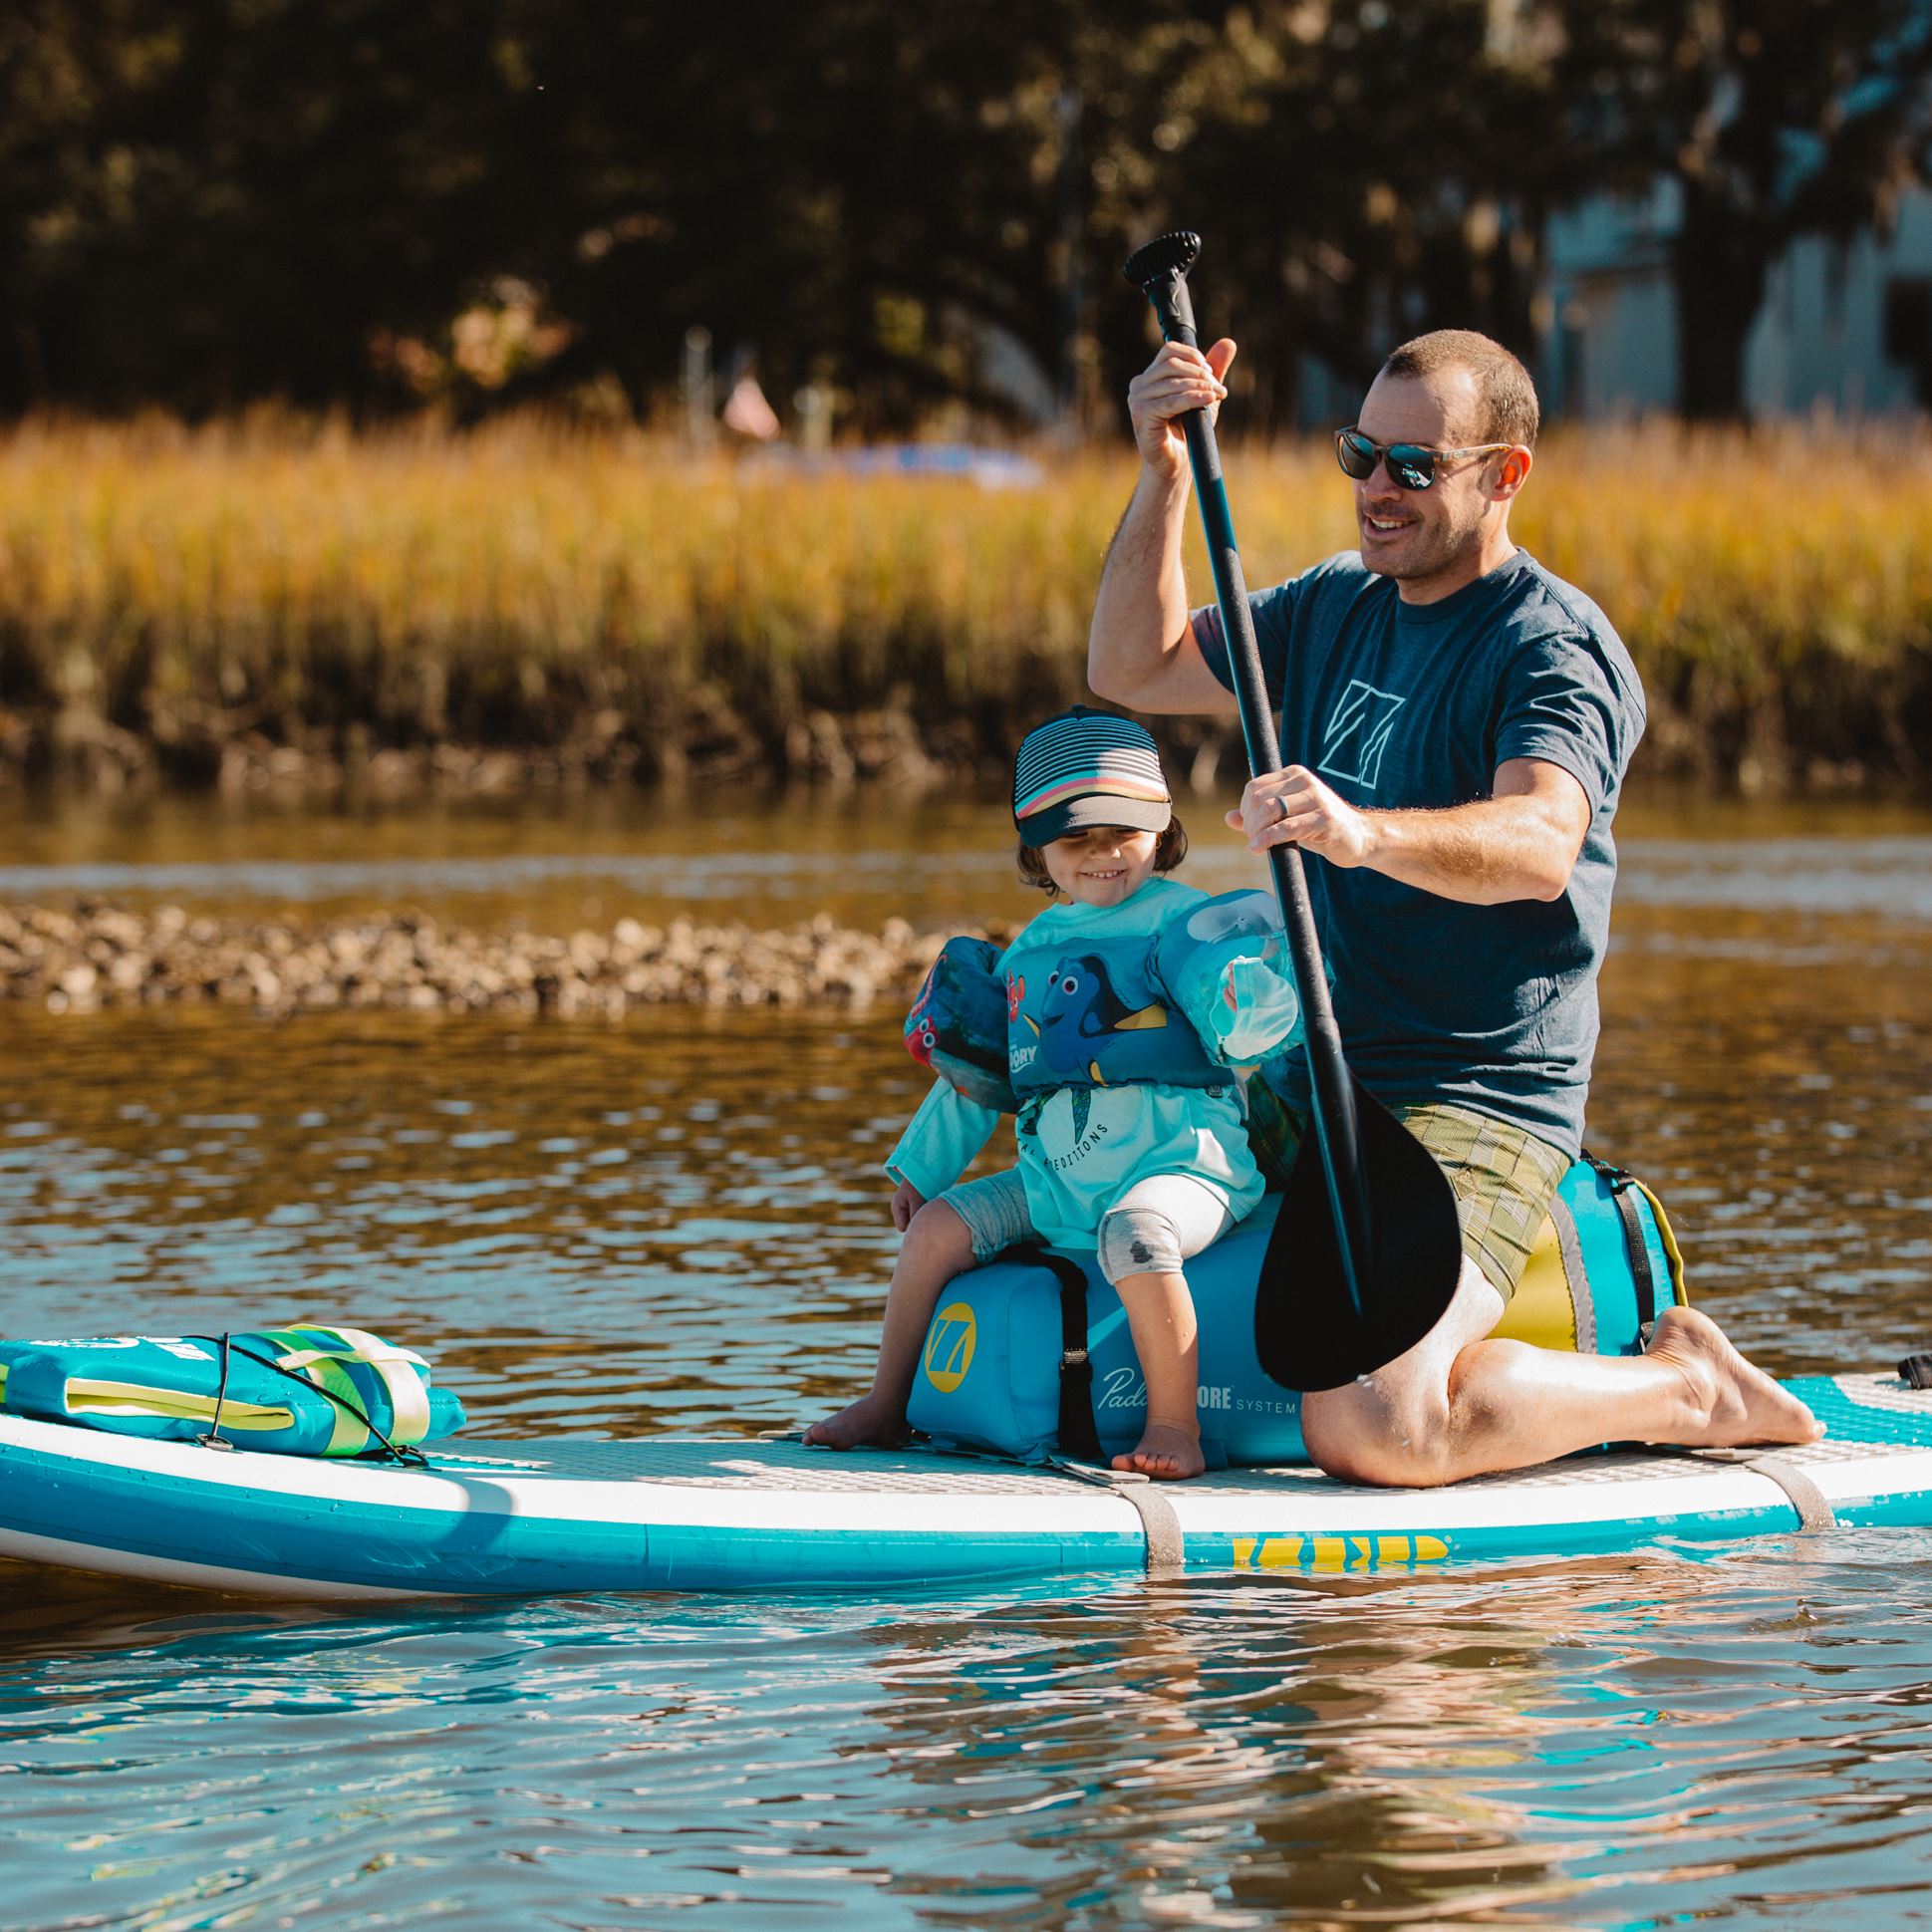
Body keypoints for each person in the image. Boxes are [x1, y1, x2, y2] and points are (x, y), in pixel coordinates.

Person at [1087, 325, 1820, 1486]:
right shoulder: (1332, 605)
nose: (1377, 487)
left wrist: (1361, 831)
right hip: (1316, 1064)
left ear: (1505, 473)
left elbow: (1540, 842)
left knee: (1373, 1426)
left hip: (1475, 1092)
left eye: (1415, 466)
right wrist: (1162, 472)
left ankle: (1689, 1387)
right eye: (1361, 454)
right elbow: (1132, 666)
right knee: (1081, 1141)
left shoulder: (1551, 647)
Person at [806, 707, 1304, 1478]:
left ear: (1161, 829)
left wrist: (1255, 997)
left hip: (1184, 1167)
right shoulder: (1030, 951)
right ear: (1036, 847)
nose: (1104, 853)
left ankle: (1175, 1425)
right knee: (933, 1232)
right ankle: (886, 1403)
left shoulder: (1186, 924)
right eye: (1077, 838)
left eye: (1124, 832)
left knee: (1135, 1233)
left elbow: (1252, 1028)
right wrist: (920, 1170)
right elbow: (980, 1079)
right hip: (1057, 1182)